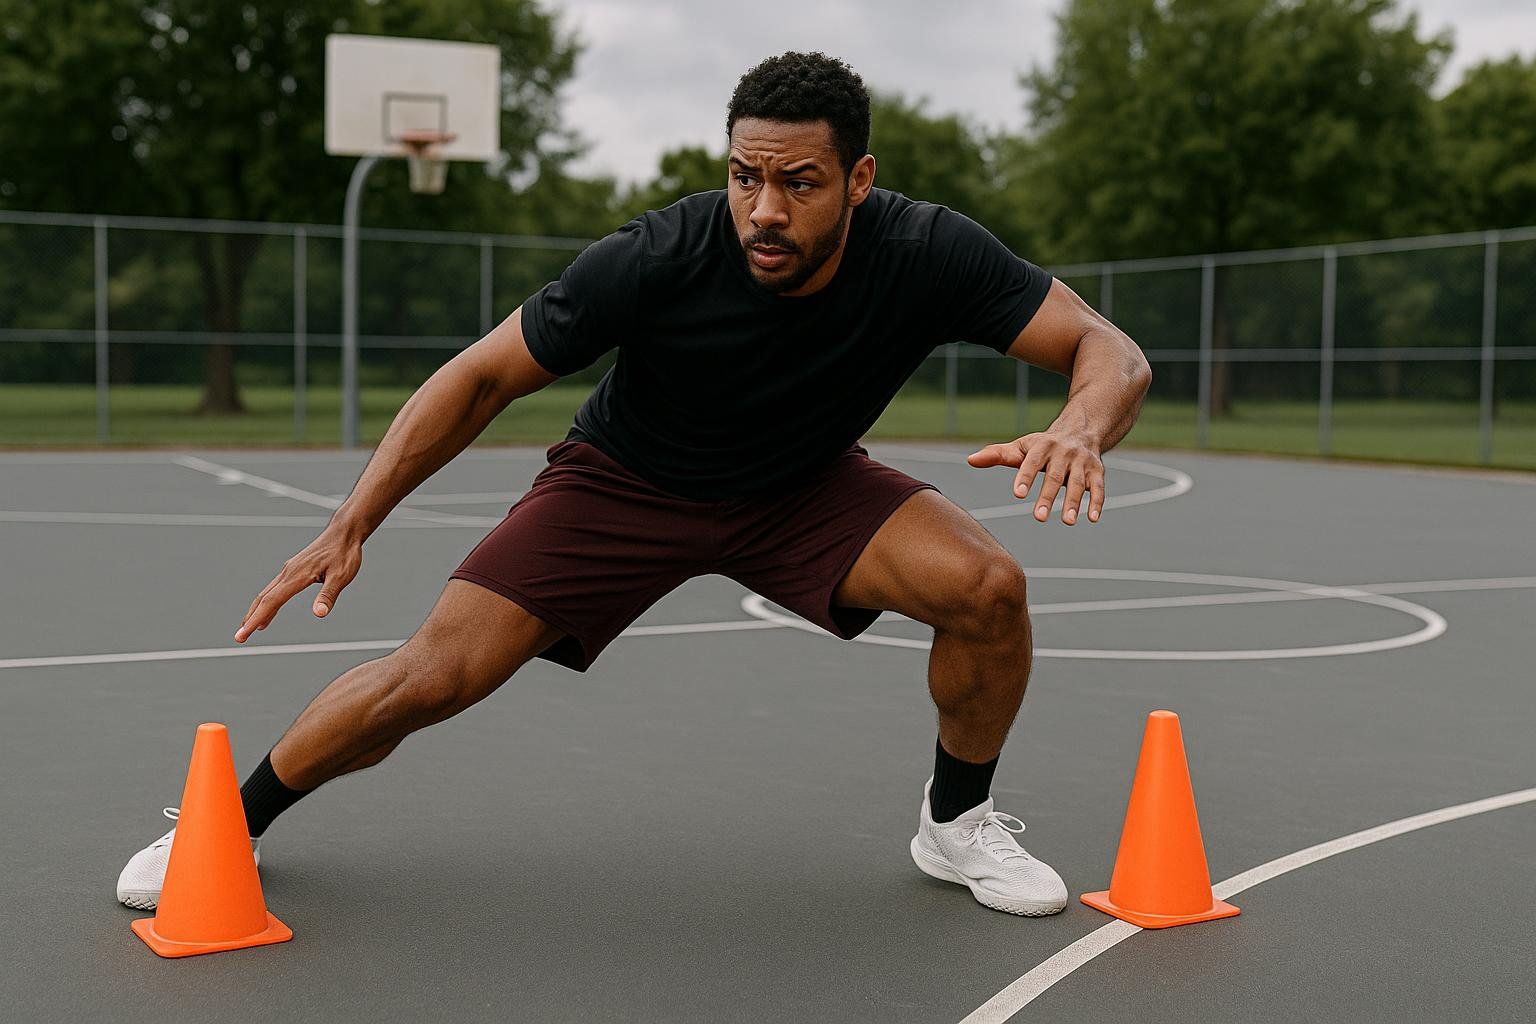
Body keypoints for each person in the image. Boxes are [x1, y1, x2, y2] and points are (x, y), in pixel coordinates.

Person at [118, 51, 1150, 918]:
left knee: (988, 587)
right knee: (433, 675)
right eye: (746, 176)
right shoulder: (658, 253)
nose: (765, 210)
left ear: (860, 179)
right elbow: (480, 375)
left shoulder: (928, 251)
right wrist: (354, 522)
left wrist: (1079, 424)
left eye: (798, 182)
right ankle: (224, 825)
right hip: (624, 482)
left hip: (800, 486)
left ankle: (956, 825)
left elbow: (1110, 351)